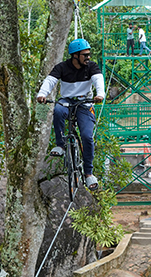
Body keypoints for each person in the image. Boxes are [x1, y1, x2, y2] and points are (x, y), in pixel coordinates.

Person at [36, 38, 105, 191]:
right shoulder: (62, 67)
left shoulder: (91, 67)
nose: (88, 57)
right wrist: (42, 94)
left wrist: (100, 94)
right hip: (66, 102)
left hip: (84, 104)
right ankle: (60, 145)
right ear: (75, 56)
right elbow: (50, 81)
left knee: (87, 136)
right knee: (58, 110)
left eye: (89, 54)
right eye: (85, 55)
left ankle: (88, 174)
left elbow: (98, 80)